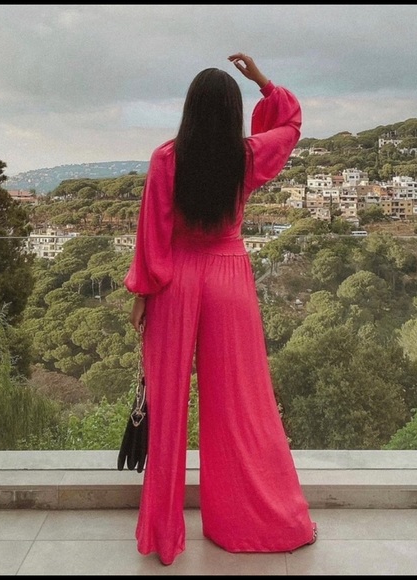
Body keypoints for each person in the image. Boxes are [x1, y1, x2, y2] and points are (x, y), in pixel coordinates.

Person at [124, 52, 317, 566]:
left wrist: (142, 294)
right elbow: (291, 125)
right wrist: (264, 83)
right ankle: (252, 520)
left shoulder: (167, 159)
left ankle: (164, 534)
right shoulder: (246, 156)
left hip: (175, 282)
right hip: (229, 281)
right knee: (240, 404)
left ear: (189, 109)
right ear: (233, 111)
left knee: (167, 408)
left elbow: (153, 233)